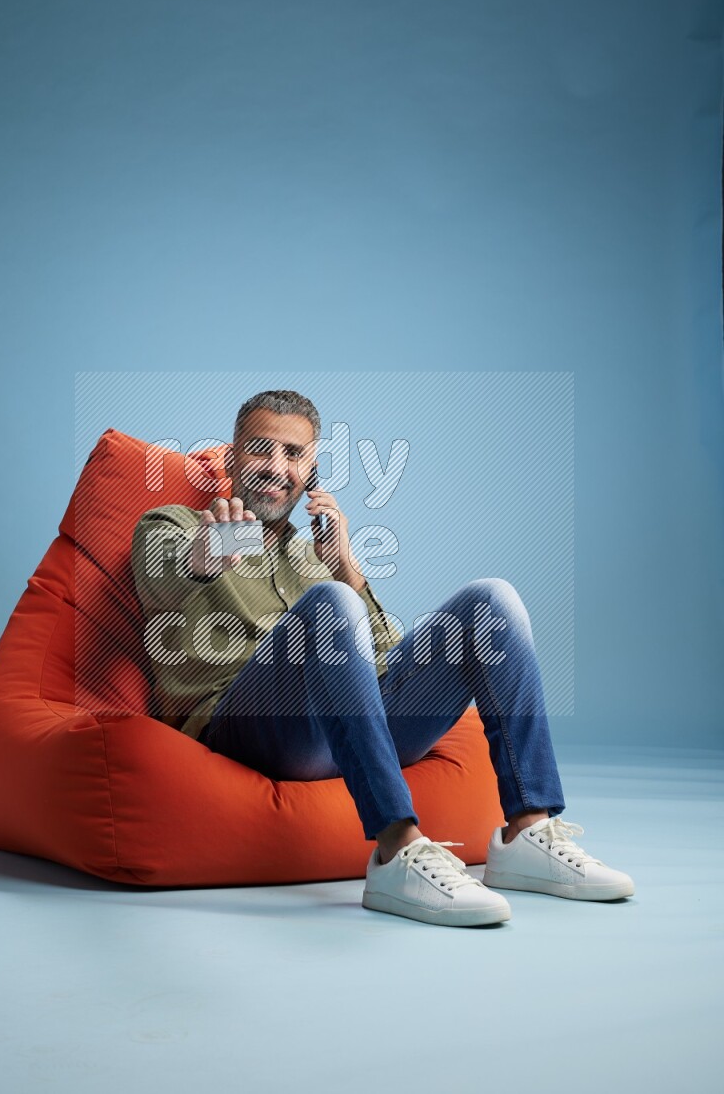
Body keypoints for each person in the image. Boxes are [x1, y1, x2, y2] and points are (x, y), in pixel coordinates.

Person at [131, 389, 634, 928]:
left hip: (351, 730)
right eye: (260, 450)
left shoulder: (314, 556)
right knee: (330, 604)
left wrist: (347, 568)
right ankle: (397, 849)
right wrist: (205, 559)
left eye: (294, 455)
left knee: (492, 599)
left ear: (312, 470)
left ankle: (527, 831)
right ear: (231, 458)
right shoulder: (176, 526)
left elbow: (386, 660)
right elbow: (159, 580)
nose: (277, 468)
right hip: (249, 730)